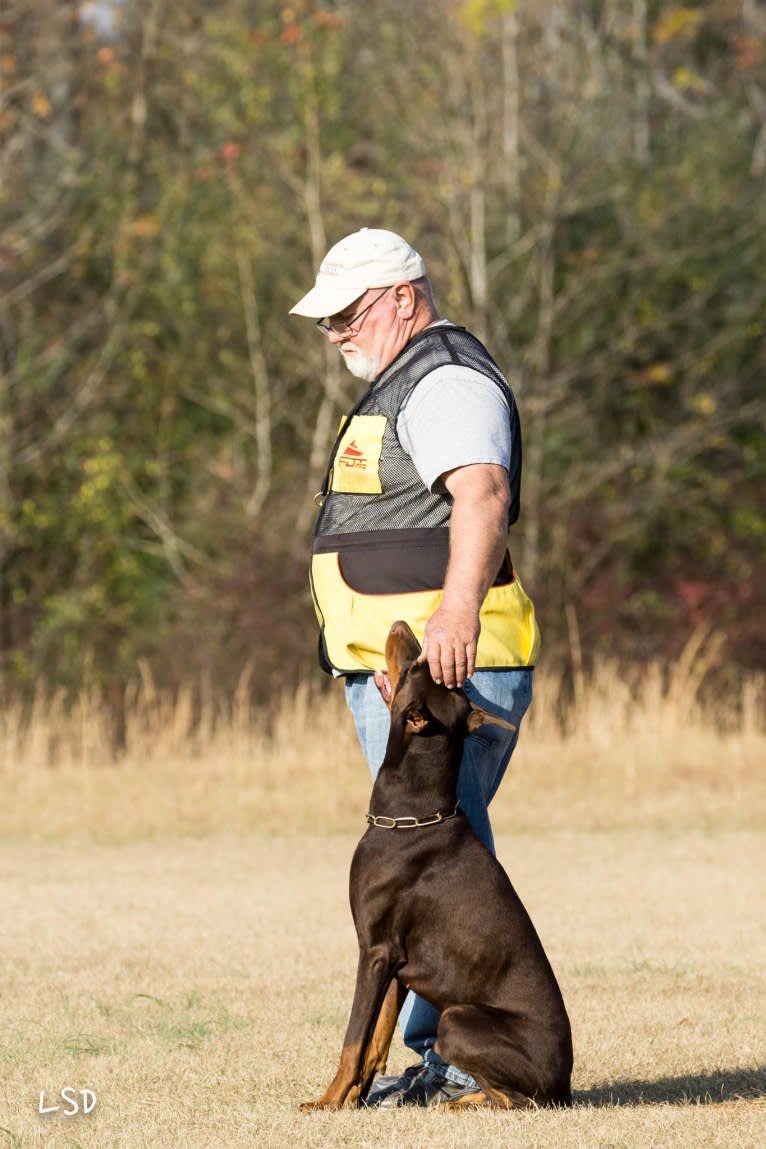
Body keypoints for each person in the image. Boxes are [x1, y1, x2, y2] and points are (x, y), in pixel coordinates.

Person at [290, 227, 541, 1108]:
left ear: (404, 296)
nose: (336, 333)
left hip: (452, 674)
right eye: (326, 320)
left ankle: (467, 1062)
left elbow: (483, 493)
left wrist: (459, 608)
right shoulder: (403, 383)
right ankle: (444, 1057)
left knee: (445, 878)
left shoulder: (444, 381)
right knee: (434, 874)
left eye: (348, 313)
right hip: (410, 681)